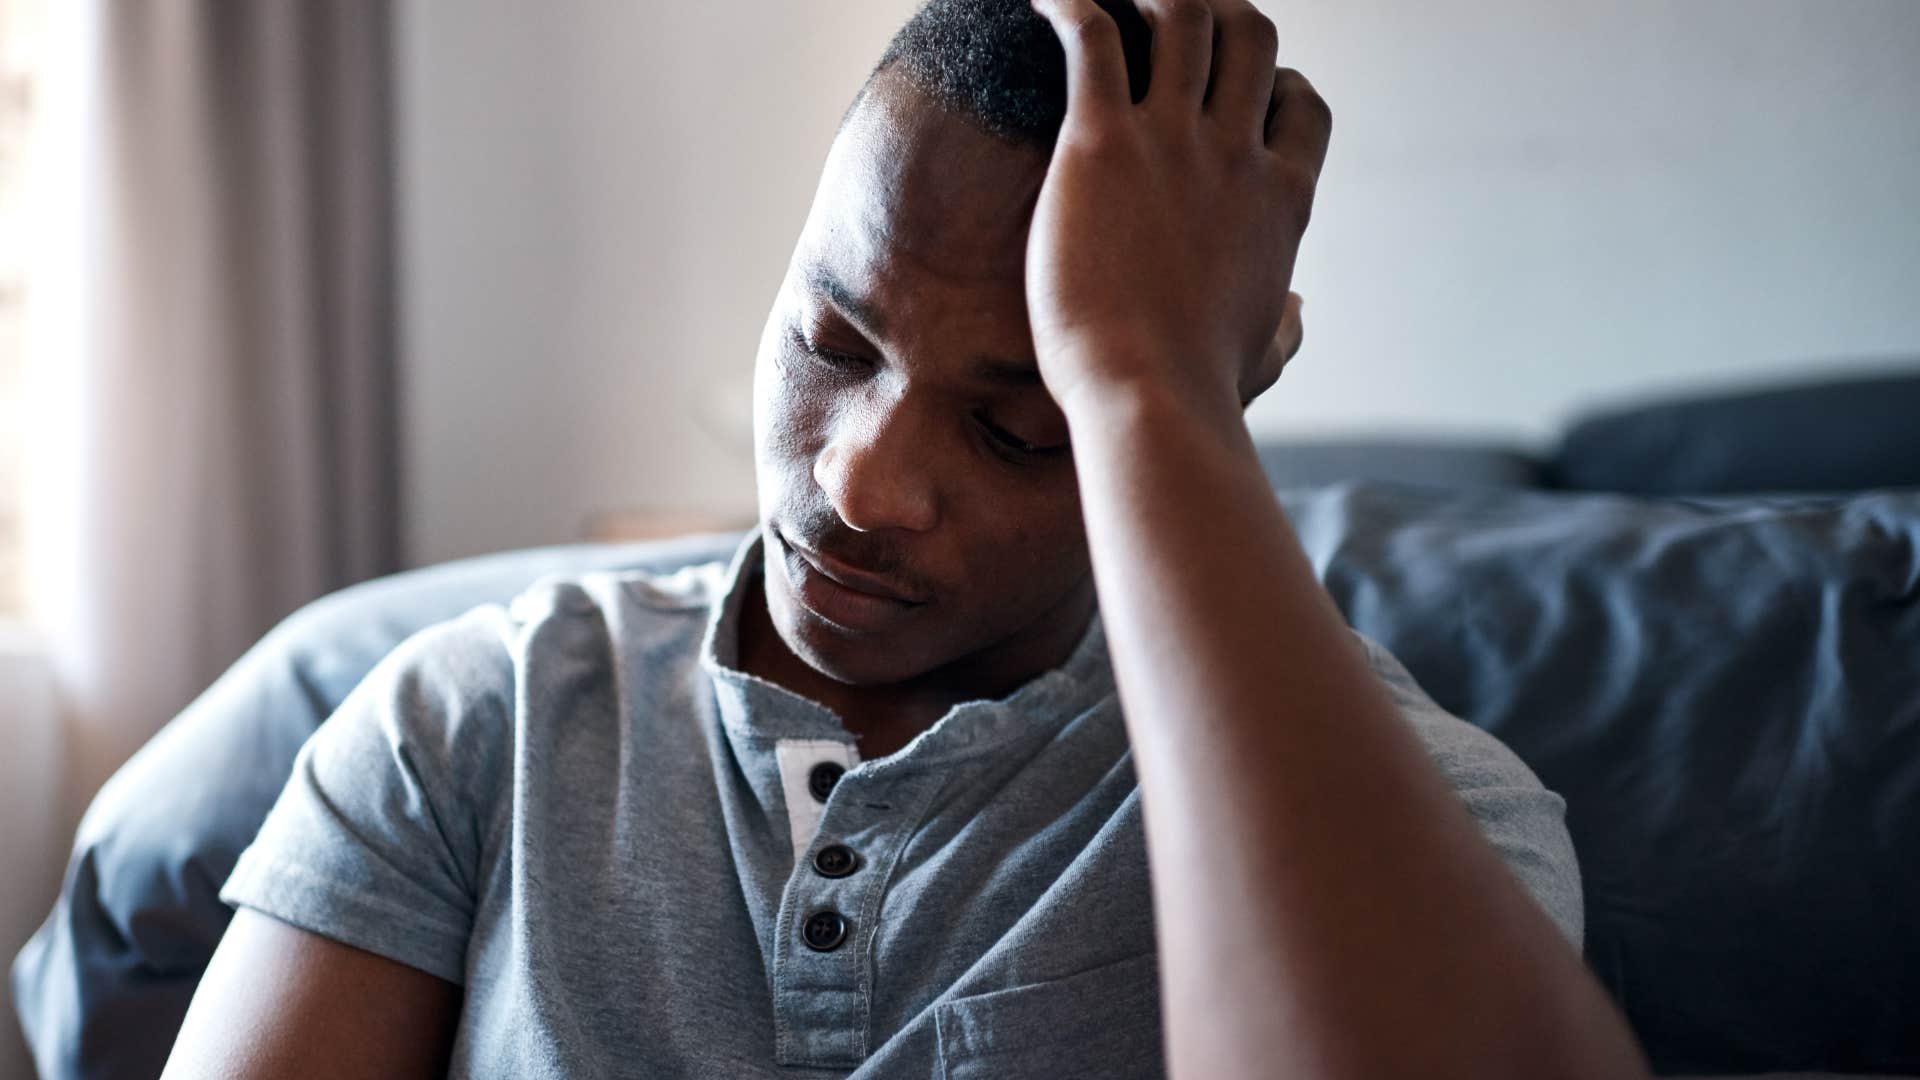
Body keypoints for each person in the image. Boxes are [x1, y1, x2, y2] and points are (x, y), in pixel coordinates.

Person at [163, 0, 1650, 1076]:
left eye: (1023, 426)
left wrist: (1144, 384)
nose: (859, 486)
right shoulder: (469, 722)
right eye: (829, 336)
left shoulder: (1438, 824)